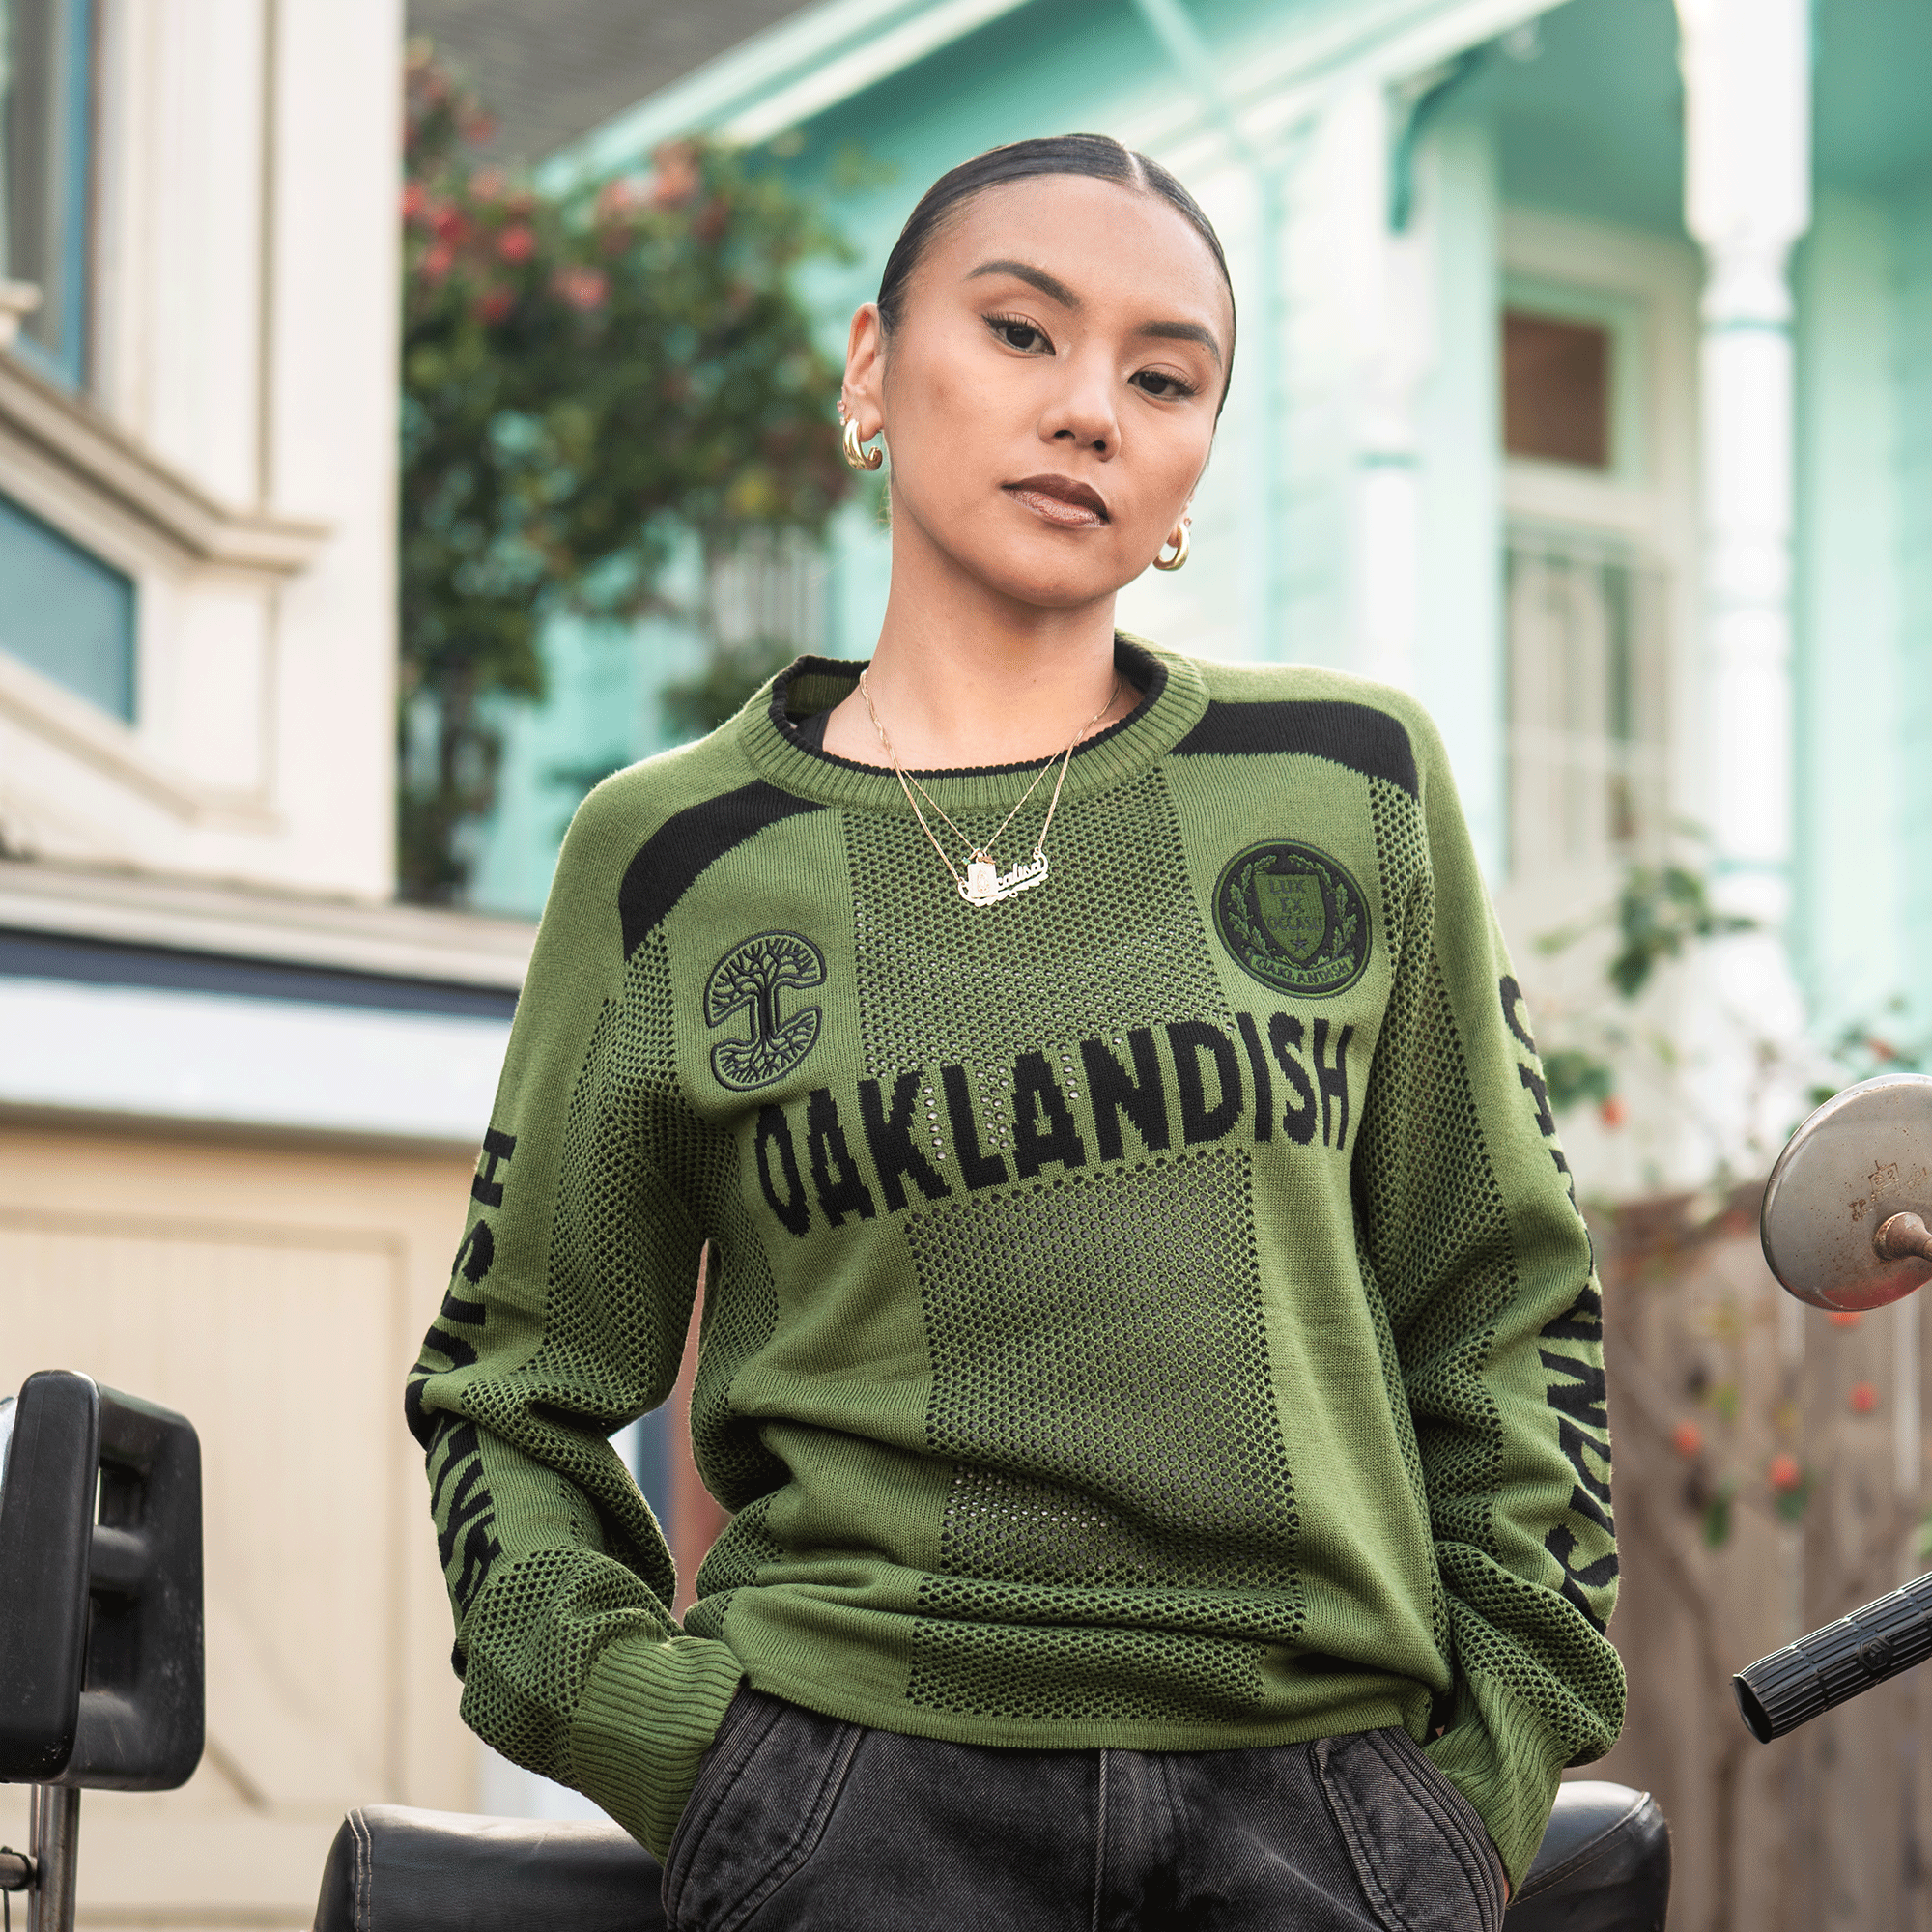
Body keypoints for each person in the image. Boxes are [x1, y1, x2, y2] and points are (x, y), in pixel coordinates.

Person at [409, 133, 1623, 1931]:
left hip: (1324, 1816)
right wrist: (687, 1750)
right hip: (847, 1800)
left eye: (1163, 375)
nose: (1090, 412)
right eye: (1021, 332)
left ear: (1200, 456)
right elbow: (511, 1389)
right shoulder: (671, 855)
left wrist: (1479, 1777)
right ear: (873, 373)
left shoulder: (1349, 783)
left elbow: (1503, 1300)